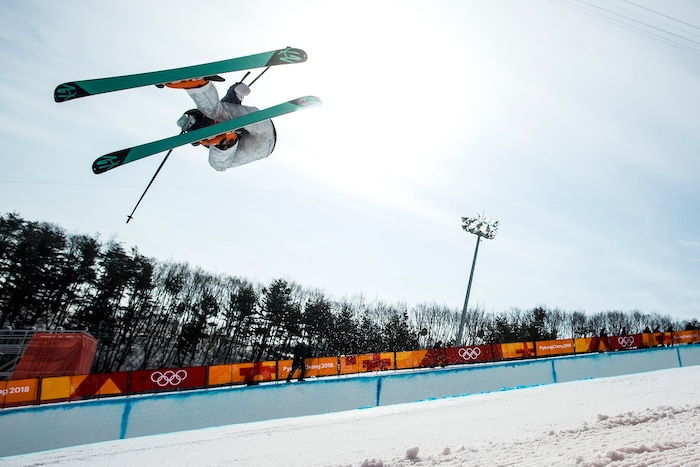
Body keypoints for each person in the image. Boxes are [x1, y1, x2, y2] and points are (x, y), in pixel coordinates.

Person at [166, 77, 276, 172]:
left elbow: (231, 96)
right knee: (216, 164)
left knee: (216, 112)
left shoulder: (217, 113)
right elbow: (232, 95)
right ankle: (226, 140)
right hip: (258, 139)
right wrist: (236, 90)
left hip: (260, 131)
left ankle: (197, 85)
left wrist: (236, 89)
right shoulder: (207, 133)